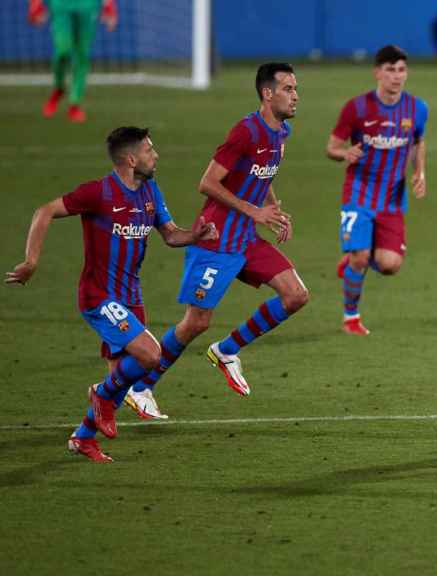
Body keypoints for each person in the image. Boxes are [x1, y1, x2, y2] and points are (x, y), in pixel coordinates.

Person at [5, 127, 218, 462]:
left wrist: (197, 235)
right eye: (149, 150)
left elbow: (171, 235)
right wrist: (31, 261)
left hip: (131, 297)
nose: (156, 155)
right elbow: (44, 211)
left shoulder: (149, 189)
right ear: (131, 159)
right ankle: (98, 395)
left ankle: (83, 438)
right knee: (150, 356)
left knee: (119, 380)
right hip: (99, 296)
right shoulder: (99, 193)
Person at [125, 63, 308, 417]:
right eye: (287, 88)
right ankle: (140, 387)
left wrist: (272, 210)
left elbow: (261, 173)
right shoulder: (246, 131)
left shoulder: (280, 133)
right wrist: (254, 212)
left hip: (246, 238)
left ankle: (227, 350)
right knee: (196, 322)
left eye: (295, 88)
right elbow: (207, 183)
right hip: (216, 237)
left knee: (296, 294)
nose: (295, 95)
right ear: (267, 93)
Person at [326, 45, 428, 336]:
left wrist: (419, 172)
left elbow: (418, 142)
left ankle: (353, 258)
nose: (397, 76)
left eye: (401, 70)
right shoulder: (357, 108)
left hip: (393, 198)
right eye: (390, 70)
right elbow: (331, 147)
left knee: (389, 265)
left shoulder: (417, 109)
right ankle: (351, 317)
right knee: (361, 258)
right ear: (377, 73)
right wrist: (344, 154)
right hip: (359, 192)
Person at [28, 0, 118, 123]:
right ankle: (59, 88)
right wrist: (35, 3)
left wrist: (109, 5)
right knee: (62, 51)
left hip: (87, 5)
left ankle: (74, 103)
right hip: (61, 5)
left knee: (82, 55)